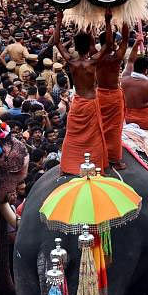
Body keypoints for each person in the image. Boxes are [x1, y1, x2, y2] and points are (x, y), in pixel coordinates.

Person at [50, 11, 106, 174]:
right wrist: (108, 21)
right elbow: (108, 44)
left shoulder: (71, 61)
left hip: (77, 103)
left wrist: (59, 21)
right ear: (89, 46)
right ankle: (95, 165)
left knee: (72, 135)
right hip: (89, 103)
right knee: (94, 137)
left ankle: (67, 165)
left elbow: (57, 42)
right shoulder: (93, 61)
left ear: (75, 46)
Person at [94, 11, 130, 170]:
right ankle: (114, 159)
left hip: (100, 95)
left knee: (100, 126)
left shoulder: (95, 55)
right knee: (114, 128)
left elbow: (90, 41)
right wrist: (125, 20)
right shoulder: (117, 56)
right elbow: (126, 38)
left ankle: (100, 154)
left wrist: (88, 24)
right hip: (113, 96)